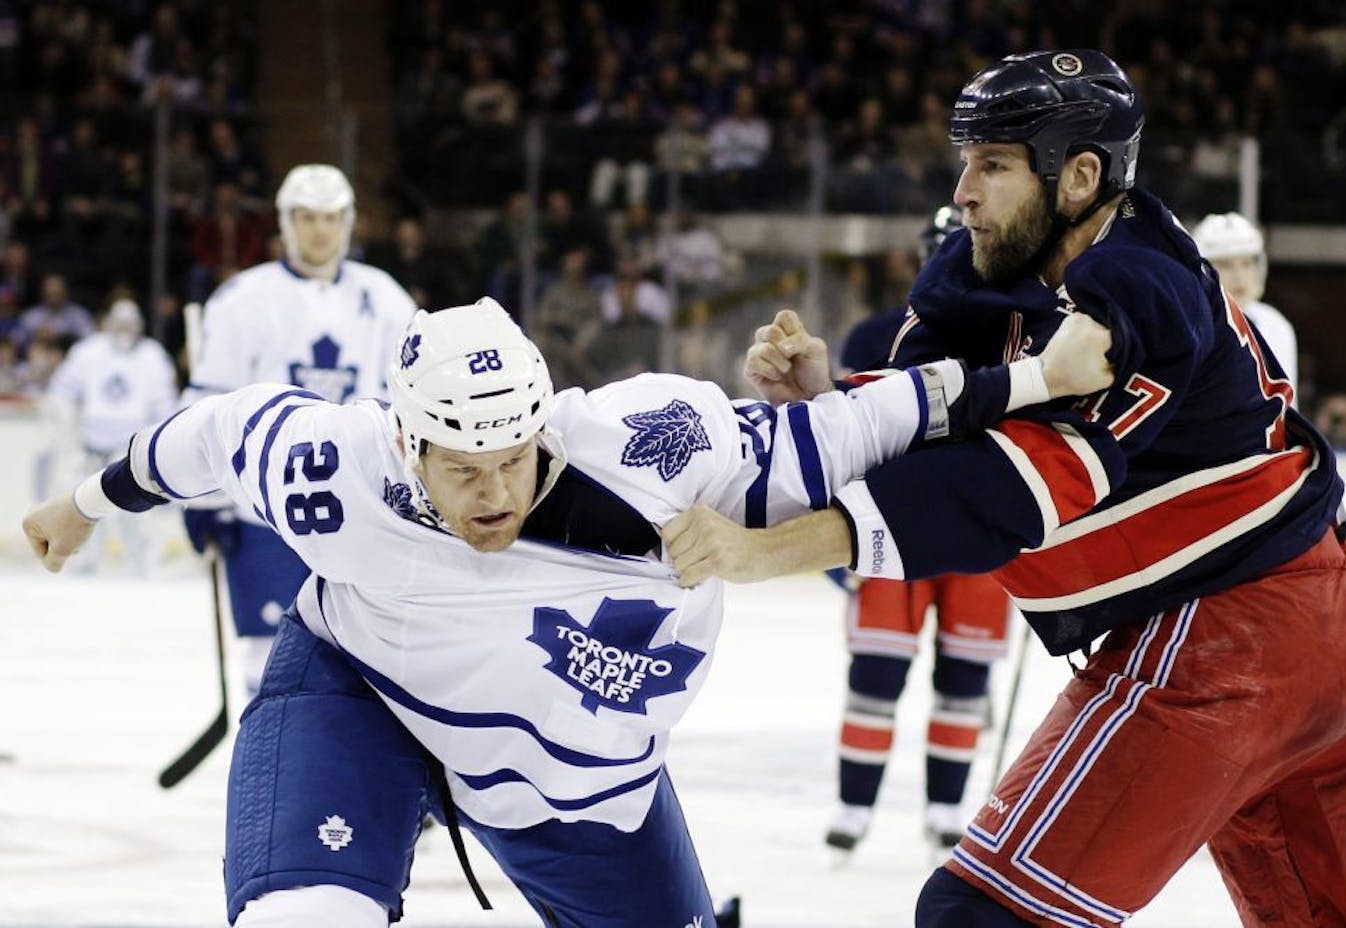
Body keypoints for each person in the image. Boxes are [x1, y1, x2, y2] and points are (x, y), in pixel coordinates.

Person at [21, 298, 1116, 927]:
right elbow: (205, 437)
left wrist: (1029, 381)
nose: (494, 493)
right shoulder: (336, 468)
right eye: (463, 469)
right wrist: (80, 505)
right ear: (406, 443)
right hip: (362, 697)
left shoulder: (660, 442)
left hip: (570, 778)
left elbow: (860, 425)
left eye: (515, 457)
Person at [674, 50, 1346, 928]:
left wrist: (766, 552)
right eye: (966, 161)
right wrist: (842, 401)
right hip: (1335, 627)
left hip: (1237, 637)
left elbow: (1019, 488)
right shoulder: (1014, 274)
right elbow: (956, 406)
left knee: (980, 916)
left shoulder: (1137, 290)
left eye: (992, 165)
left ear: (1081, 176)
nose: (966, 191)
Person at [182, 163, 417, 695]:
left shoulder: (386, 300)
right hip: (262, 509)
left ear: (348, 222)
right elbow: (208, 409)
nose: (319, 230)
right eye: (307, 217)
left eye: (330, 218)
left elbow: (408, 404)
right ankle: (268, 767)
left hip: (362, 510)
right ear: (285, 223)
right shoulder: (242, 299)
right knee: (267, 660)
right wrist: (203, 502)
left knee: (361, 660)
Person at [826, 205, 1015, 859]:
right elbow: (839, 439)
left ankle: (944, 811)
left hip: (982, 537)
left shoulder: (1021, 332)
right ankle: (852, 811)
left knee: (964, 683)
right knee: (876, 676)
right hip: (893, 527)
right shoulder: (876, 335)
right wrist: (836, 540)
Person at [43, 298, 177, 574]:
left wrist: (155, 446)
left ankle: (144, 569)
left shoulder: (153, 356)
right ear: (108, 324)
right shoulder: (87, 352)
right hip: (90, 448)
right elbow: (61, 392)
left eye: (130, 325)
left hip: (130, 454)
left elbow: (166, 407)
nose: (125, 331)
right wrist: (68, 431)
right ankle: (82, 569)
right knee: (82, 511)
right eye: (120, 325)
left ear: (140, 326)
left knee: (138, 517)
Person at [1191, 211, 1298, 389]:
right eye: (1226, 265)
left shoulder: (1275, 325)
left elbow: (1286, 404)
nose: (1239, 276)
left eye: (1247, 264)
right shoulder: (1187, 323)